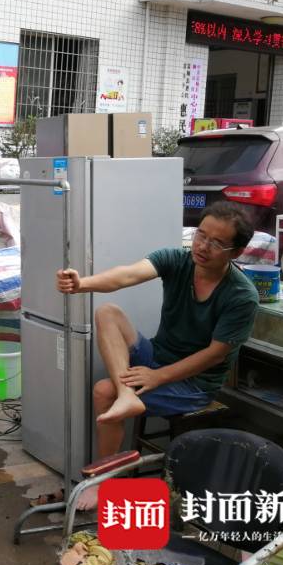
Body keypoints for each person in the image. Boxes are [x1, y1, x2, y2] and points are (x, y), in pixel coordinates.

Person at [56, 201, 259, 509]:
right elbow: (126, 275)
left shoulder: (241, 296)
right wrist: (82, 283)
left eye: (217, 243)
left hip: (194, 384)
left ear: (237, 252)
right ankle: (127, 395)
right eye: (200, 235)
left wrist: (157, 376)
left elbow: (215, 355)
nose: (203, 246)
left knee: (102, 391)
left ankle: (103, 483)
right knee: (107, 312)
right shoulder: (178, 259)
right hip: (158, 354)